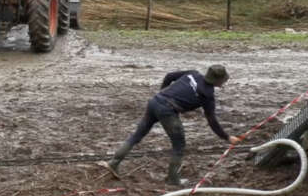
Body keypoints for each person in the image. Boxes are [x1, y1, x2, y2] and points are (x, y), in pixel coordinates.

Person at [100, 65, 241, 187]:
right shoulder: (207, 94)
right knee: (179, 145)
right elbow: (211, 120)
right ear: (217, 80)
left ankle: (114, 163)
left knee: (137, 135)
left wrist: (162, 92)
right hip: (168, 111)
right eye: (223, 80)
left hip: (155, 102)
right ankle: (173, 179)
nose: (224, 82)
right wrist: (227, 137)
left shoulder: (193, 73)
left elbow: (169, 76)